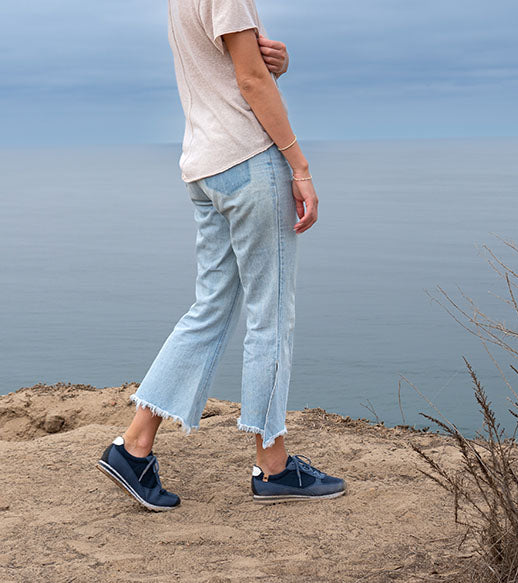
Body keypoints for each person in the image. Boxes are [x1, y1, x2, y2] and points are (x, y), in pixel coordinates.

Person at [95, 0, 346, 511]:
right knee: (270, 316)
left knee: (210, 308)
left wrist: (272, 60)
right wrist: (300, 165)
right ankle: (273, 467)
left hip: (204, 168)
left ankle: (134, 446)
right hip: (249, 162)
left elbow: (231, 65)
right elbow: (250, 83)